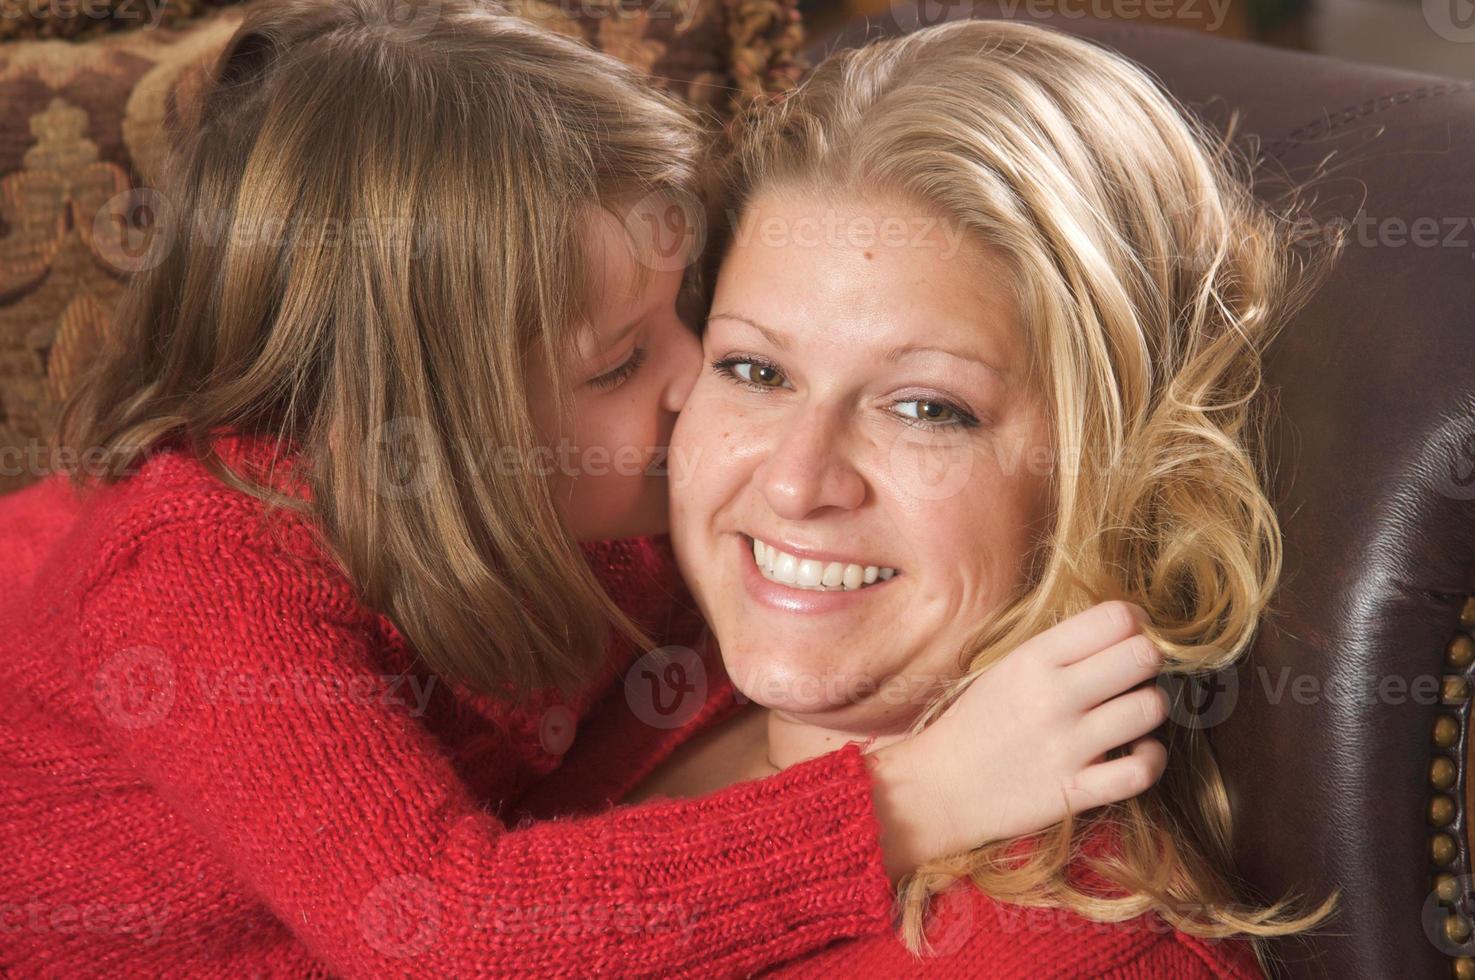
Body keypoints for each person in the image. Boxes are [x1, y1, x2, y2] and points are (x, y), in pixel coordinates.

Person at [0, 3, 1172, 975]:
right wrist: (916, 795)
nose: (695, 382)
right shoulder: (202, 578)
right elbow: (447, 930)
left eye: (694, 317)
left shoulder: (594, 498)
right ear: (418, 434)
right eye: (618, 362)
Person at [541, 18, 1344, 978]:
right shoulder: (644, 667)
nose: (796, 482)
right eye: (755, 369)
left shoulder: (1070, 958)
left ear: (1110, 470)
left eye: (926, 408)